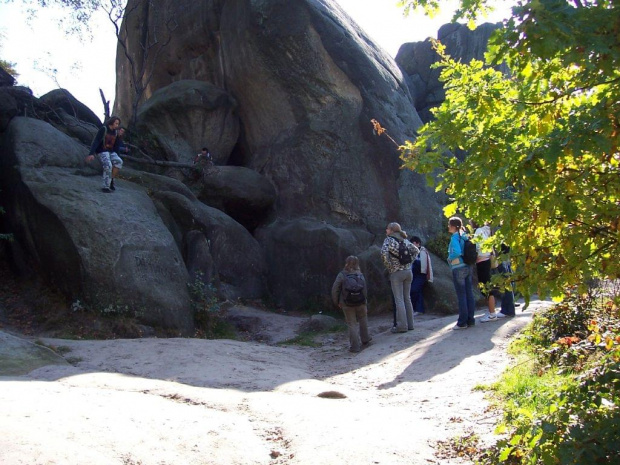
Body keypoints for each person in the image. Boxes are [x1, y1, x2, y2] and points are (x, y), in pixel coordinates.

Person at [381, 222, 419, 333]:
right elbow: (416, 250)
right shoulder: (404, 239)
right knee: (407, 298)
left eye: (387, 229)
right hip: (408, 272)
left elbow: (383, 254)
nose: (386, 231)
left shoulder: (389, 240)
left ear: (392, 230)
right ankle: (410, 324)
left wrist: (390, 267)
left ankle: (402, 326)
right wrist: (409, 263)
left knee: (399, 300)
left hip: (396, 273)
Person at [331, 256, 372, 353]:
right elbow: (365, 289)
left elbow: (335, 289)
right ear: (357, 263)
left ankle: (355, 347)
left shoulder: (342, 275)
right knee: (363, 319)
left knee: (352, 324)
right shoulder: (360, 274)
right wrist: (364, 301)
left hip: (346, 303)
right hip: (361, 302)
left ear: (346, 263)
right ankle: (365, 339)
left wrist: (336, 302)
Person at [448, 216, 477, 330]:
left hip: (458, 267)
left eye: (449, 225)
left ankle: (462, 322)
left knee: (461, 295)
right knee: (469, 294)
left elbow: (457, 252)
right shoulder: (465, 236)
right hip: (468, 266)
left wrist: (449, 258)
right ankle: (471, 319)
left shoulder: (455, 237)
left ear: (454, 226)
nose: (448, 227)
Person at [470, 220, 499, 323]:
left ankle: (492, 314)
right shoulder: (487, 230)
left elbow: (478, 246)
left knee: (486, 288)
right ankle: (491, 312)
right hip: (487, 259)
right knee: (488, 286)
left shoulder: (478, 231)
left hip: (482, 260)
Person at [87, 116, 124, 193]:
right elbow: (96, 141)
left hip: (111, 151)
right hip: (102, 151)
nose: (117, 125)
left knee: (119, 162)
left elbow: (116, 145)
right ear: (112, 122)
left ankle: (111, 180)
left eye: (118, 124)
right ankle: (105, 186)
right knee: (108, 165)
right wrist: (91, 153)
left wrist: (119, 137)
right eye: (116, 123)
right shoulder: (104, 129)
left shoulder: (115, 132)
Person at [410, 236, 433, 315]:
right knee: (418, 291)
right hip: (413, 274)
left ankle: (415, 309)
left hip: (421, 274)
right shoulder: (412, 251)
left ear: (418, 243)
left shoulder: (423, 251)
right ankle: (419, 309)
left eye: (413, 243)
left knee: (414, 290)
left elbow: (424, 264)